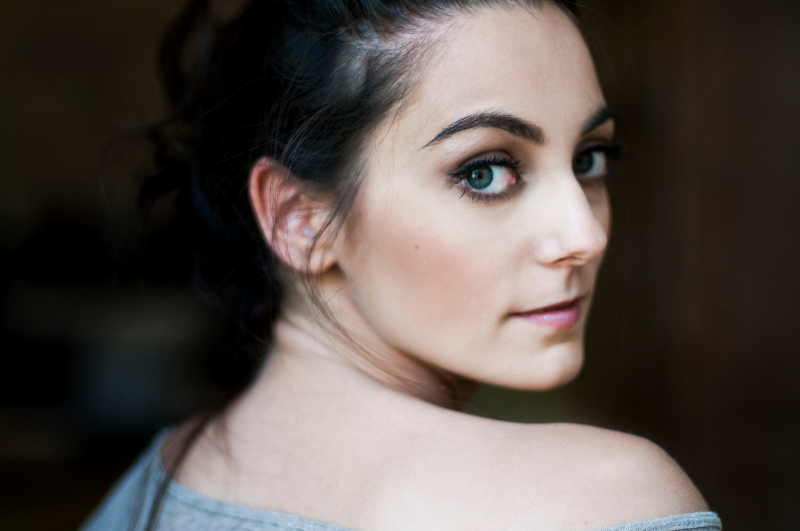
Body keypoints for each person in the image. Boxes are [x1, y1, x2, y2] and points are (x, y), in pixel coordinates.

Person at [81, 0, 722, 529]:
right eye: (486, 172)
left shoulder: (149, 488)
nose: (585, 235)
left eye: (589, 160)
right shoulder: (606, 500)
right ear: (299, 219)